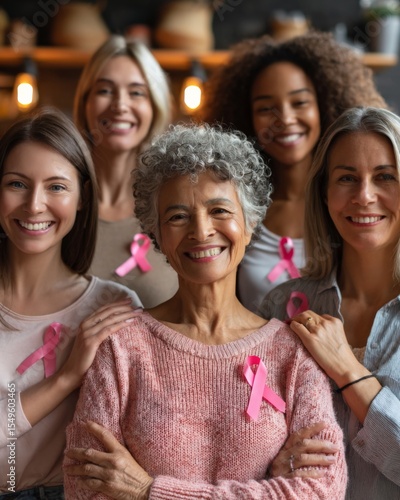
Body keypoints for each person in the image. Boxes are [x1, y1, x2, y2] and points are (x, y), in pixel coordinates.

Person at [63, 123, 347, 499]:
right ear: (158, 235)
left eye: (219, 210)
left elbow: (321, 491)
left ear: (249, 224)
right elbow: (85, 488)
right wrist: (268, 489)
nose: (200, 230)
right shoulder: (121, 349)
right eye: (178, 216)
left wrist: (149, 492)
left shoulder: (293, 354)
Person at [0, 108, 142, 498]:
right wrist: (66, 378)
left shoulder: (113, 306)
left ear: (82, 198)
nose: (34, 205)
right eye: (16, 184)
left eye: (57, 187)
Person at [260, 106, 400, 499]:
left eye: (385, 176)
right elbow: (244, 439)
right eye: (346, 178)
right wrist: (272, 462)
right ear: (323, 193)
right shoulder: (280, 305)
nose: (364, 196)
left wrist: (346, 370)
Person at [202, 31, 387, 314]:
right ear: (245, 117)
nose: (285, 119)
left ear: (324, 106)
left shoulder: (355, 205)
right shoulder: (236, 209)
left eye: (299, 102)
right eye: (266, 108)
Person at [74, 34, 178, 308]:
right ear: (85, 103)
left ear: (154, 107)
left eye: (136, 93)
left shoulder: (175, 205)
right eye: (105, 90)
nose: (120, 105)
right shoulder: (57, 201)